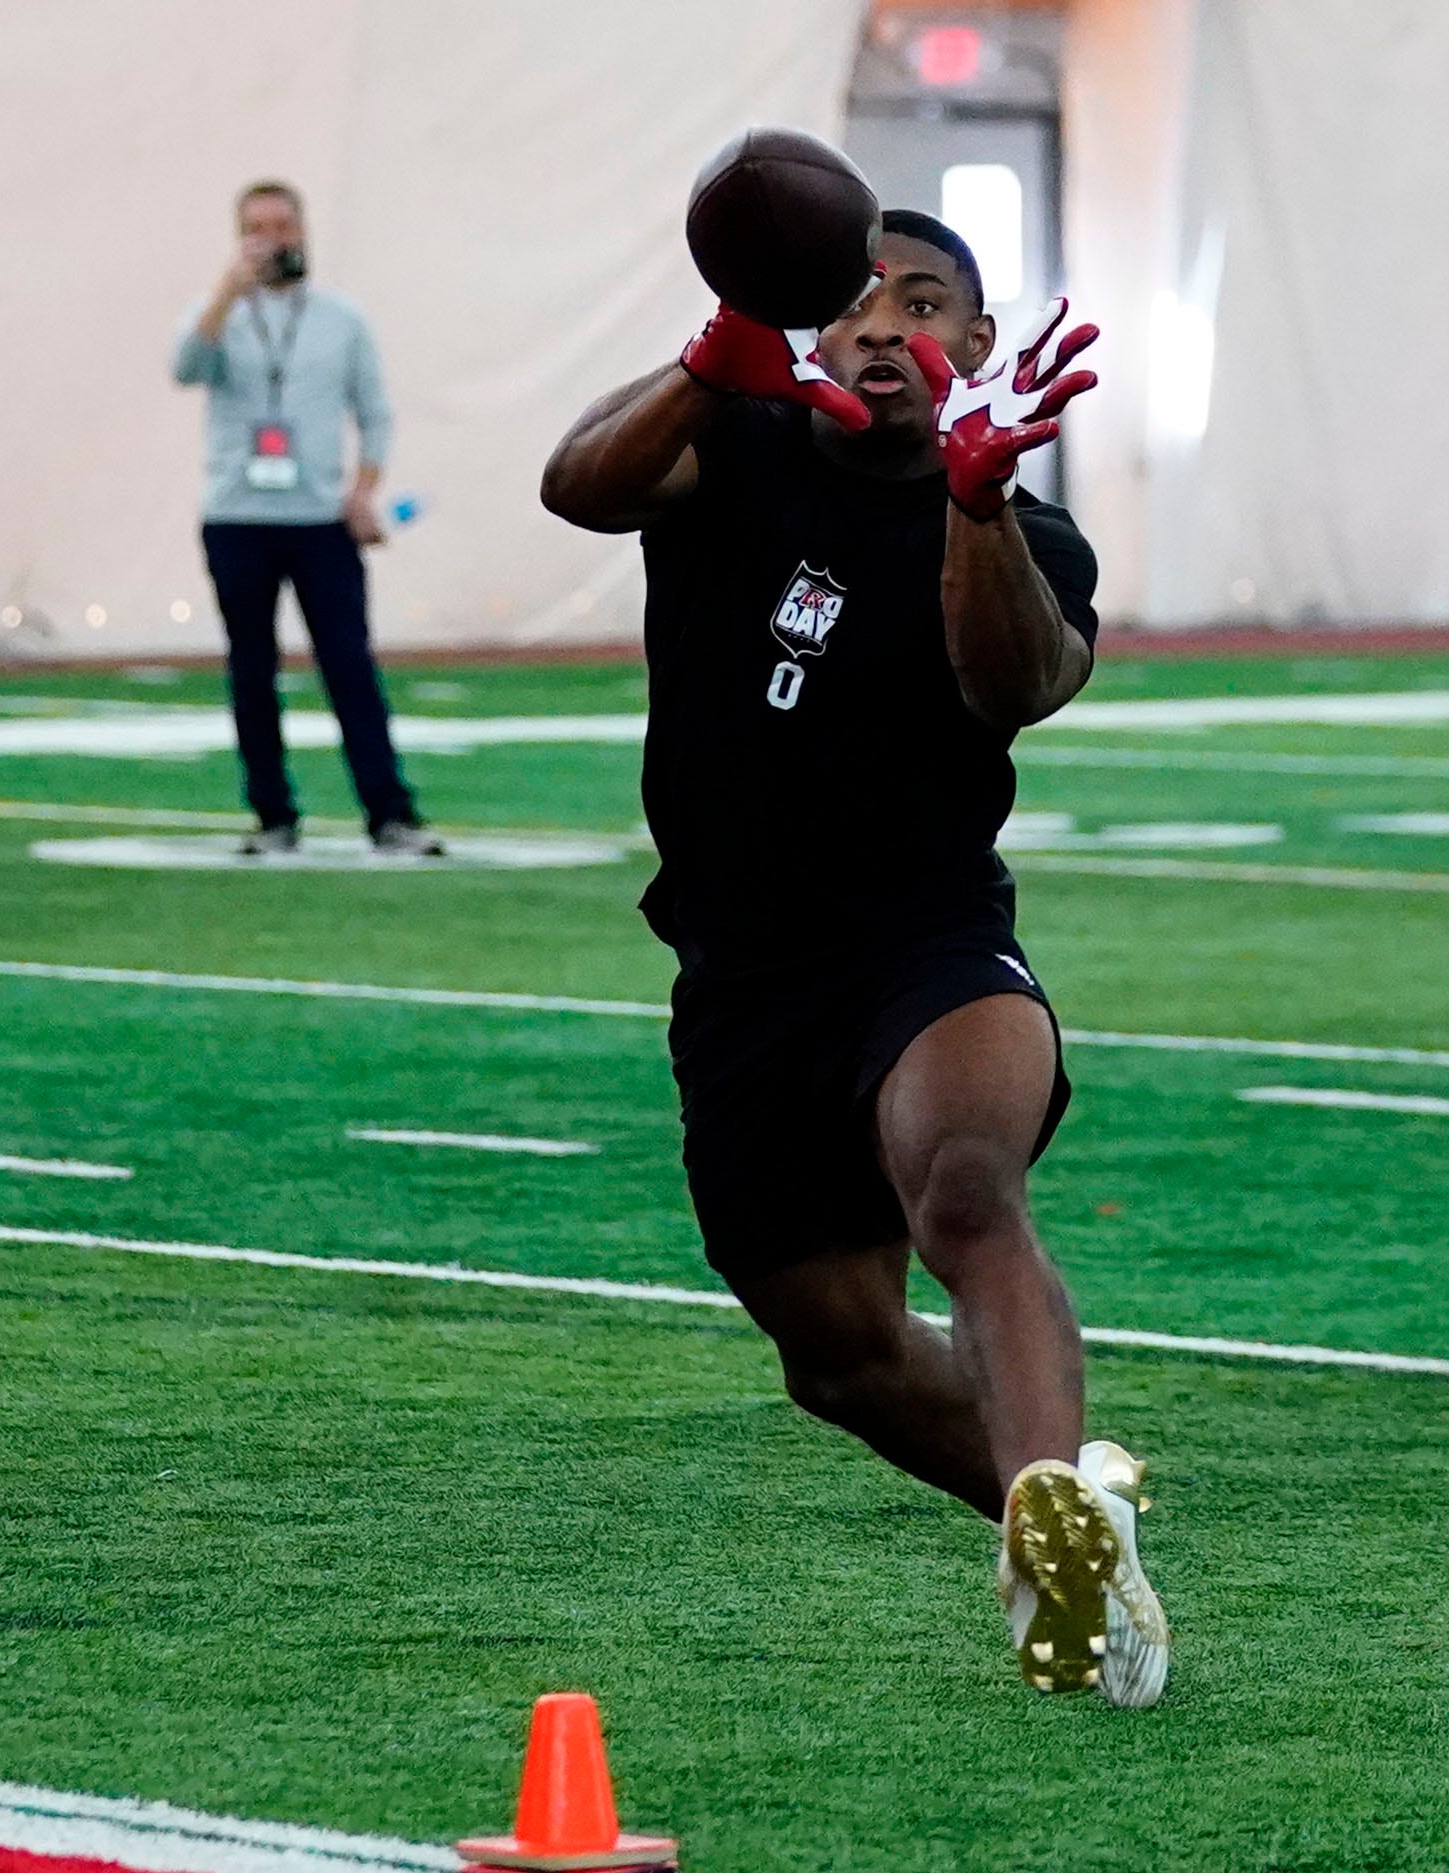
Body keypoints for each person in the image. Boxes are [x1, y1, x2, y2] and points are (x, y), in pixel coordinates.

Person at [539, 212, 1167, 1708]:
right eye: (852, 301)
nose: (884, 325)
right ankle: (1077, 1518)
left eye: (925, 302)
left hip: (926, 943)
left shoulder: (1029, 526)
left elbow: (1015, 679)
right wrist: (713, 353)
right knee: (837, 1354)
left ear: (978, 348)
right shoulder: (733, 444)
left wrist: (976, 501)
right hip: (742, 971)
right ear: (807, 330)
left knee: (963, 1186)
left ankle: (1060, 1520)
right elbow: (574, 486)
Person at [172, 180, 439, 857]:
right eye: (258, 228)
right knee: (251, 668)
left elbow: (374, 410)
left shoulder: (340, 319)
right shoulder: (219, 313)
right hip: (238, 515)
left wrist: (363, 491)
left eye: (284, 226)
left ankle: (389, 812)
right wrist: (226, 291)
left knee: (349, 663)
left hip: (320, 517)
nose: (274, 240)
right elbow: (184, 368)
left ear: (304, 230)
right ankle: (271, 814)